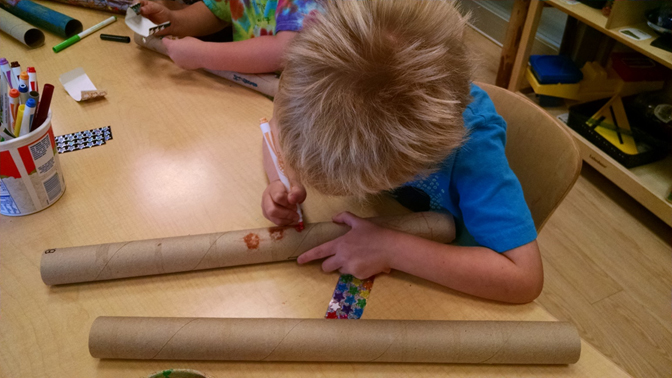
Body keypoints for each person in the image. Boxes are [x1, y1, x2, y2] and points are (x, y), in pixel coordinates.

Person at [261, 0, 543, 304]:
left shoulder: (474, 147)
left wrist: (391, 249)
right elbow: (275, 126)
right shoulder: (317, 92)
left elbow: (524, 279)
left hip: (449, 285)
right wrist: (283, 180)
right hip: (386, 235)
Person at [137, 0, 321, 72]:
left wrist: (202, 55)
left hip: (296, 108)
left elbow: (284, 51)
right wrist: (173, 21)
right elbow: (216, 11)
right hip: (245, 90)